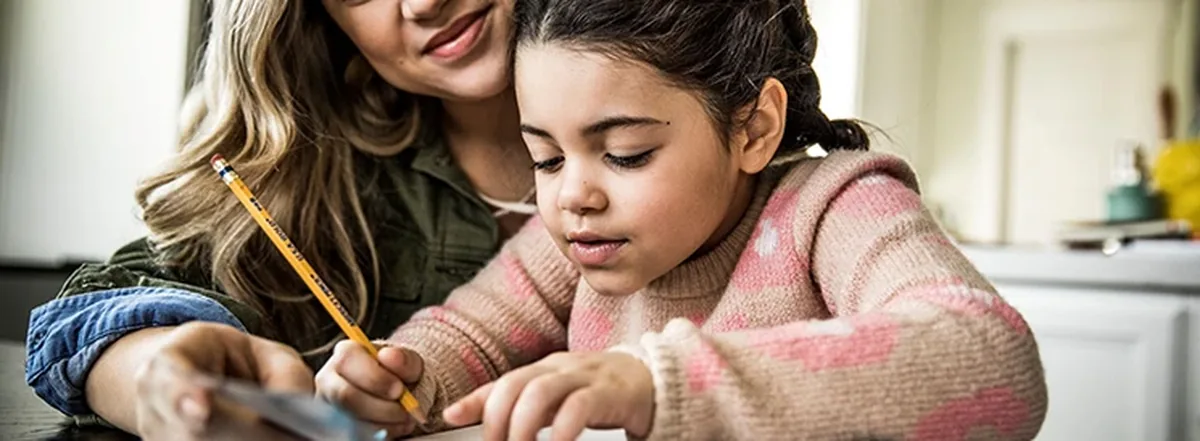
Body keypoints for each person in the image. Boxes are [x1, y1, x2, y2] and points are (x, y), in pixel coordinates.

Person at [315, 0, 1049, 439]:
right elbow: (466, 332)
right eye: (544, 158)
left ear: (754, 127)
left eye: (627, 153)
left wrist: (661, 385)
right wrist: (403, 376)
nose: (574, 194)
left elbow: (992, 356)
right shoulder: (574, 240)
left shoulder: (835, 206)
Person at [24, 0, 536, 439]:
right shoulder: (321, 182)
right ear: (323, 20)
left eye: (621, 154)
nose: (423, 4)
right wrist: (163, 382)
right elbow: (84, 316)